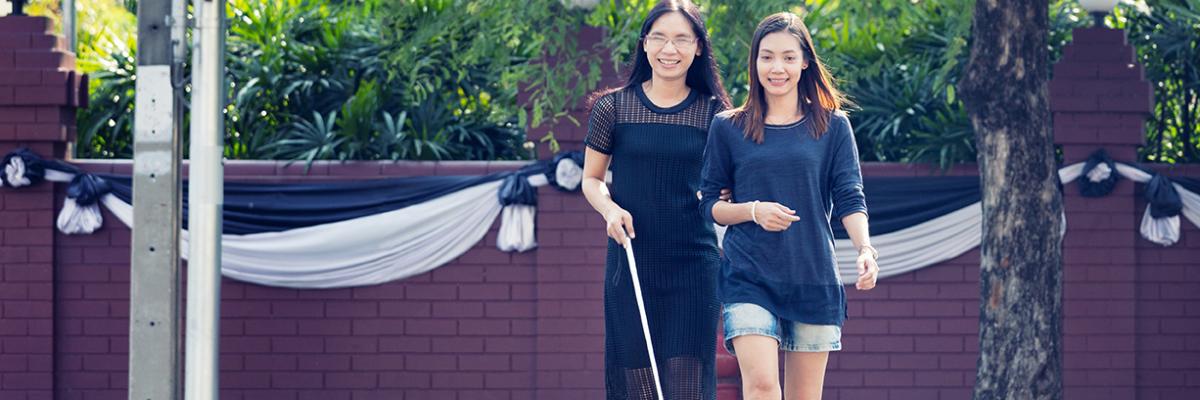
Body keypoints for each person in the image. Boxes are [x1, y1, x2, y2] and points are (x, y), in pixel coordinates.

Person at [697, 12, 879, 400]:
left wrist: (865, 249)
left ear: (805, 62)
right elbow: (709, 204)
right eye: (767, 57)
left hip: (811, 272)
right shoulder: (728, 127)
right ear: (754, 63)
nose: (777, 67)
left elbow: (850, 195)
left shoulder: (833, 127)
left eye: (788, 57)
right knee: (762, 387)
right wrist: (753, 211)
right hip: (748, 273)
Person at [579, 0, 731, 398]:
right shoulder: (612, 108)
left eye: (682, 38)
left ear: (698, 47)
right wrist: (610, 210)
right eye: (659, 37)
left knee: (685, 387)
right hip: (631, 262)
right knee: (638, 384)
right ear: (644, 44)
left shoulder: (715, 114)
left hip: (694, 266)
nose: (669, 49)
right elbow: (591, 180)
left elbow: (728, 185)